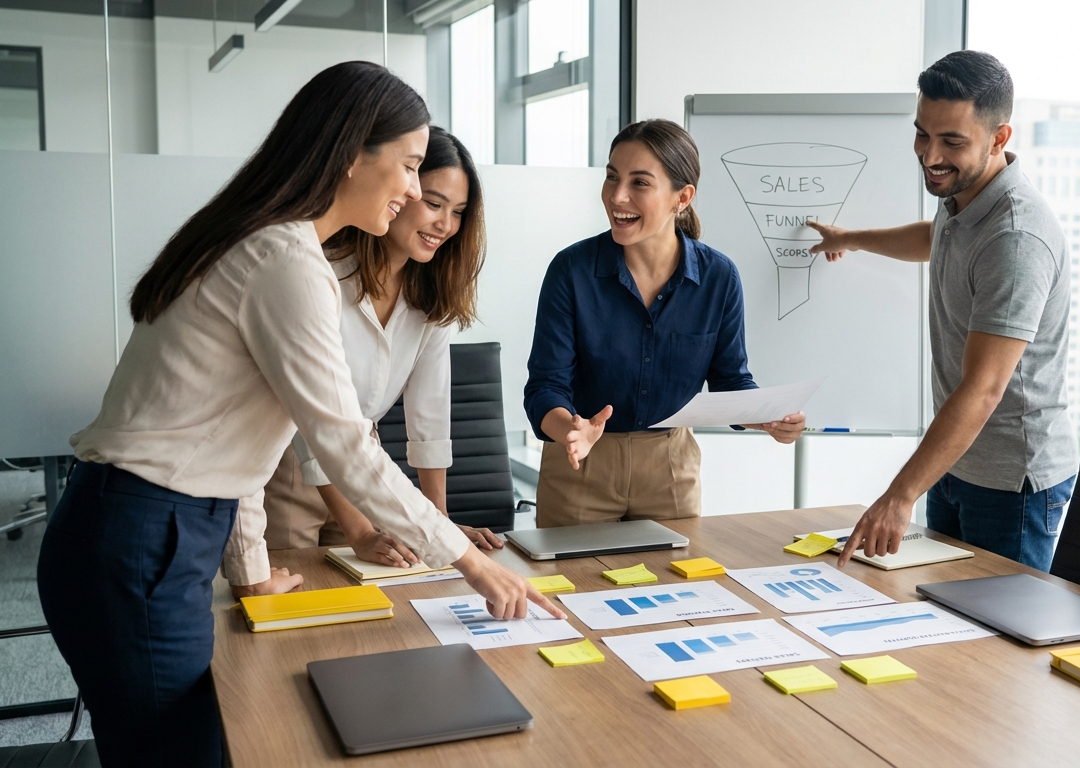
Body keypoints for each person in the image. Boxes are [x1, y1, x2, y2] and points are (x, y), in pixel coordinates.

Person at [35, 62, 562, 768]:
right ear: (351, 156)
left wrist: (251, 571)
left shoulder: (268, 240)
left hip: (149, 530)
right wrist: (471, 564)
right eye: (408, 167)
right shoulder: (286, 260)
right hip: (143, 535)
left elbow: (249, 434)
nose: (412, 190)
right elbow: (346, 445)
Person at [812, 51, 1077, 572]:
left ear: (999, 138)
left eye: (952, 141)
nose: (930, 156)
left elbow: (984, 389)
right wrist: (854, 238)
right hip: (957, 461)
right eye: (921, 135)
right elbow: (940, 238)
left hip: (1010, 483)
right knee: (942, 622)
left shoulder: (1016, 239)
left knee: (995, 646)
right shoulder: (964, 191)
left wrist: (898, 494)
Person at [221, 128, 502, 584]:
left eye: (458, 213)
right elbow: (316, 424)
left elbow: (429, 417)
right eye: (433, 203)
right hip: (290, 463)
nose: (445, 225)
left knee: (366, 606)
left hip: (364, 465)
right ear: (401, 190)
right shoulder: (319, 271)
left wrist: (441, 525)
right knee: (295, 611)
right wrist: (359, 529)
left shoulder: (432, 292)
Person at [524, 119, 805, 527]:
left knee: (680, 587)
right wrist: (571, 429)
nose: (617, 196)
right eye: (611, 177)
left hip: (670, 468)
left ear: (682, 197)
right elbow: (545, 386)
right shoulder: (572, 270)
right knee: (571, 589)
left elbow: (730, 381)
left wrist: (767, 416)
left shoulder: (718, 277)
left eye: (640, 183)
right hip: (579, 466)